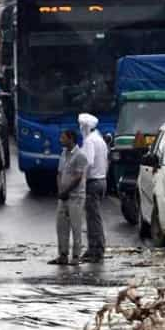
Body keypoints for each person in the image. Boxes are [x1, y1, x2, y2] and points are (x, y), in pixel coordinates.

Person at [49, 129, 87, 266]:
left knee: (76, 227)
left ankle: (76, 256)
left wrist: (66, 191)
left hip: (75, 197)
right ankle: (63, 255)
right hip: (63, 197)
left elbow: (78, 177)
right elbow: (59, 173)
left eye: (63, 138)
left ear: (71, 139)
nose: (61, 140)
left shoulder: (80, 156)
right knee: (61, 227)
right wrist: (61, 191)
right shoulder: (63, 154)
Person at [78, 112, 109, 262]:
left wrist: (81, 180)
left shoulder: (90, 141)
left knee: (93, 218)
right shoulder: (100, 139)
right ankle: (96, 248)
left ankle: (96, 250)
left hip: (93, 182)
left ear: (85, 127)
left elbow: (88, 162)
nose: (80, 129)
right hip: (102, 180)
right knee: (94, 217)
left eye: (81, 126)